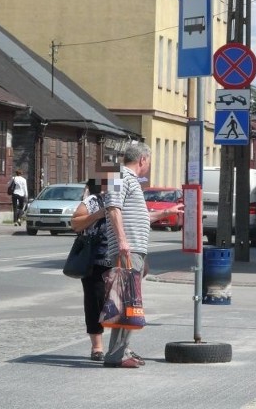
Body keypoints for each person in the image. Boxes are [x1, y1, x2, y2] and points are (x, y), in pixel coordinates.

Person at [102, 142, 184, 368]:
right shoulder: (119, 175)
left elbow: (139, 217)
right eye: (149, 161)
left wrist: (165, 213)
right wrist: (122, 241)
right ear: (142, 160)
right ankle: (116, 355)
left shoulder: (130, 180)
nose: (149, 165)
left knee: (128, 301)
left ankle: (121, 350)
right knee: (125, 301)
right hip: (126, 249)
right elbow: (113, 208)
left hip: (133, 249)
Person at [70, 177, 109, 362]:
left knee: (120, 303)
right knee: (95, 302)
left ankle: (120, 345)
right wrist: (98, 214)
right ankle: (97, 347)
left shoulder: (122, 200)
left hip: (117, 257)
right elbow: (75, 224)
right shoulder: (92, 202)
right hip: (95, 259)